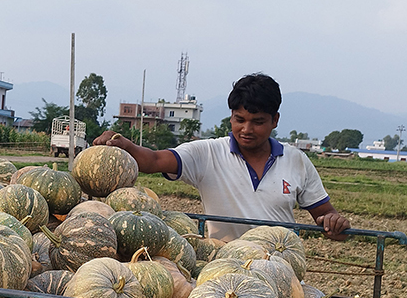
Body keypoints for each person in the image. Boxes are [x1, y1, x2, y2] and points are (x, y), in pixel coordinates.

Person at [94, 73, 350, 241]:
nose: (246, 130)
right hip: (223, 273)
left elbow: (327, 220)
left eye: (258, 122)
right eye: (239, 120)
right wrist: (123, 144)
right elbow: (153, 161)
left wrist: (334, 223)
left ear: (275, 120)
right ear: (231, 117)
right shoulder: (207, 153)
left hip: (281, 270)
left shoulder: (297, 161)